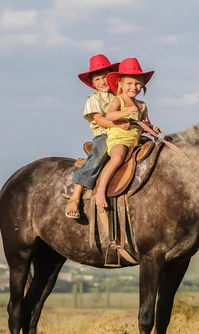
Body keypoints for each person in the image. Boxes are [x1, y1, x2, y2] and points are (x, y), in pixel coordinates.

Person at [65, 54, 130, 218]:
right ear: (92, 84)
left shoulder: (120, 97)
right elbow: (99, 119)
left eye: (105, 78)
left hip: (125, 134)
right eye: (98, 79)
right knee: (99, 155)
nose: (102, 82)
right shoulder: (93, 99)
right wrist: (117, 124)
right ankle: (75, 196)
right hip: (105, 135)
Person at [94, 58, 160, 208]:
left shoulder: (142, 105)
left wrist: (152, 129)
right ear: (120, 84)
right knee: (117, 157)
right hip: (119, 139)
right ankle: (100, 191)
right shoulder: (119, 100)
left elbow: (145, 123)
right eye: (129, 83)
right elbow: (109, 116)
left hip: (136, 141)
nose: (134, 87)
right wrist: (125, 112)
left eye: (137, 83)